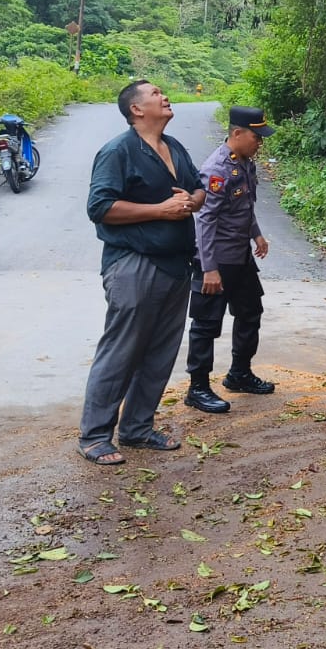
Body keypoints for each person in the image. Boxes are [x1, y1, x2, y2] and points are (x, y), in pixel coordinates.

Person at [78, 79, 204, 465]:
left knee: (160, 352)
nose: (164, 97)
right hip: (134, 263)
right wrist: (159, 210)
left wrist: (190, 200)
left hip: (175, 264)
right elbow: (99, 207)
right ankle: (95, 436)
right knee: (122, 350)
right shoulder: (119, 151)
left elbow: (198, 188)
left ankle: (136, 427)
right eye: (155, 94)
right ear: (136, 109)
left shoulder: (173, 147)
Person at [183, 106, 278, 412]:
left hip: (240, 255)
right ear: (237, 133)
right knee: (206, 324)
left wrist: (257, 234)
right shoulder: (217, 170)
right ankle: (197, 387)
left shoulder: (246, 163)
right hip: (217, 259)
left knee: (251, 312)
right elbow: (205, 221)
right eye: (256, 136)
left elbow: (243, 207)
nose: (260, 142)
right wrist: (209, 268)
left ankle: (239, 373)